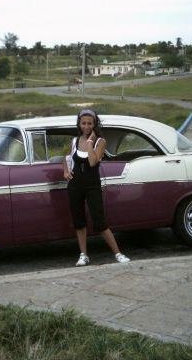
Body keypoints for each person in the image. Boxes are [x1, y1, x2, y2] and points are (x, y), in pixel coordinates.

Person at [63, 109, 130, 266]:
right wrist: (65, 171)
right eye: (83, 123)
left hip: (92, 185)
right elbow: (66, 158)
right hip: (75, 185)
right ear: (79, 124)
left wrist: (90, 143)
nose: (86, 126)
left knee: (99, 221)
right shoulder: (74, 141)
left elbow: (93, 162)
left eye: (89, 123)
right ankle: (83, 255)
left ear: (94, 124)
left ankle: (118, 253)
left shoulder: (100, 141)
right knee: (79, 221)